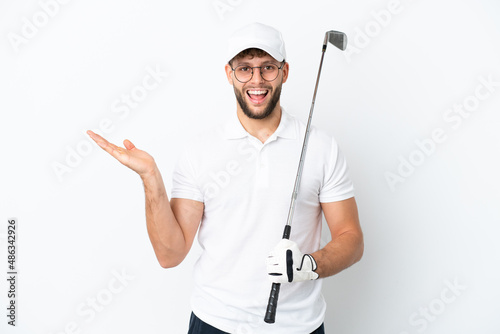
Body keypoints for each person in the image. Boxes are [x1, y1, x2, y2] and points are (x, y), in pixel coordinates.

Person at [87, 22, 363, 334]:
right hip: (215, 323)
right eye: (245, 68)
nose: (256, 80)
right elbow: (170, 254)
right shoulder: (200, 152)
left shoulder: (322, 148)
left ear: (284, 72)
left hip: (298, 327)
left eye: (267, 67)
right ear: (229, 74)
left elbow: (351, 239)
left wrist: (310, 266)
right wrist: (150, 177)